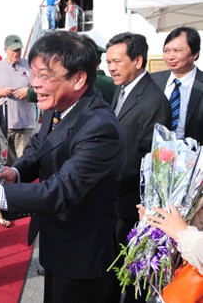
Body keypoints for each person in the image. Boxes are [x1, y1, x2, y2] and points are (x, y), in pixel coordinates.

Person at [0, 31, 126, 303]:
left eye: (44, 76)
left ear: (78, 79)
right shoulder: (58, 103)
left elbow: (60, 190)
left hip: (84, 255)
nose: (34, 84)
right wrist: (15, 172)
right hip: (56, 244)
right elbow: (39, 147)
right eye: (34, 74)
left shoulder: (99, 127)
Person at [106, 32, 172, 302]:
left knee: (128, 272)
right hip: (112, 195)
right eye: (107, 61)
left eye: (116, 61)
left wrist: (108, 182)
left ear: (138, 60)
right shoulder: (121, 89)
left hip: (129, 199)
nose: (110, 67)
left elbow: (148, 157)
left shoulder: (154, 101)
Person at [0, 34, 36, 166]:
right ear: (6, 50)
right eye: (14, 50)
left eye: (19, 50)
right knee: (5, 165)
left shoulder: (29, 65)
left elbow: (41, 90)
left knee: (25, 164)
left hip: (25, 125)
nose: (17, 53)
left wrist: (28, 92)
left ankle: (23, 186)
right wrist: (0, 93)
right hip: (3, 126)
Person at [150, 26, 203, 143]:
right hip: (158, 152)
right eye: (166, 51)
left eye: (177, 51)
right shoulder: (152, 81)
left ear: (195, 54)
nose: (170, 56)